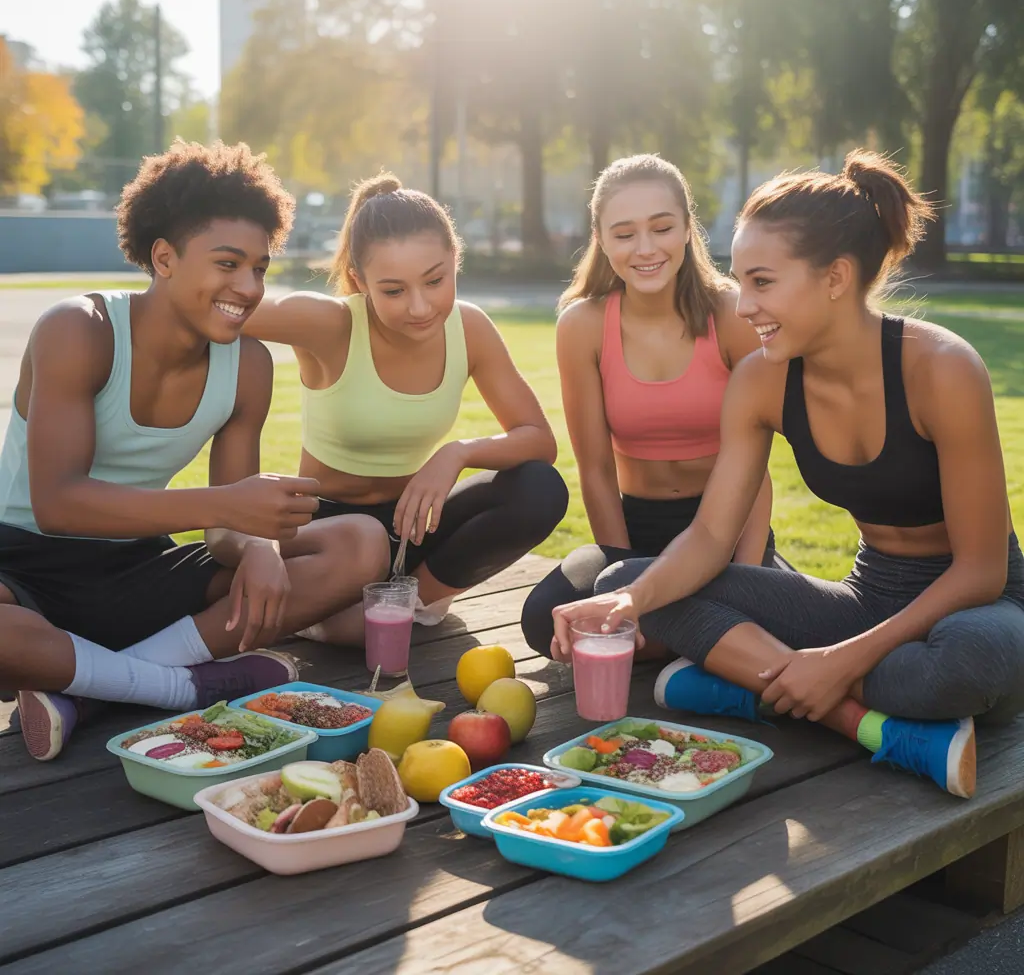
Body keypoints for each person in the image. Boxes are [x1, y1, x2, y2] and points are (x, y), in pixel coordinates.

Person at [553, 150, 1024, 799]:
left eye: (763, 283)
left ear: (835, 277)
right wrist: (630, 603)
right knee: (628, 578)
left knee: (960, 667)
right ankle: (853, 718)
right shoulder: (762, 380)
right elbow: (712, 537)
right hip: (868, 596)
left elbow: (981, 570)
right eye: (741, 281)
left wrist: (840, 660)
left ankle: (745, 684)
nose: (743, 306)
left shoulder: (941, 368)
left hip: (976, 606)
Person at [0, 140, 391, 761]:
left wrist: (256, 544)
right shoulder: (80, 330)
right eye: (228, 263)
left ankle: (88, 691)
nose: (248, 286)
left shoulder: (248, 368)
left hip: (134, 567)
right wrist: (230, 507)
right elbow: (57, 504)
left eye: (259, 268)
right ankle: (178, 686)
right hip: (22, 567)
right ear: (164, 257)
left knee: (360, 545)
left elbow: (222, 528)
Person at [242, 173, 568, 640]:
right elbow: (218, 307)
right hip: (331, 537)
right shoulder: (329, 324)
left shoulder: (469, 328)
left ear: (455, 259)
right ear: (360, 280)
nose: (420, 307)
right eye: (393, 291)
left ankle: (411, 604)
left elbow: (538, 439)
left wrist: (456, 453)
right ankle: (340, 616)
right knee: (356, 580)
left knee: (539, 487)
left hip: (410, 526)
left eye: (435, 280)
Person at [521, 154, 780, 658]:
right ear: (600, 237)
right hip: (634, 529)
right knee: (542, 620)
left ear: (687, 228)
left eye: (661, 228)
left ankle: (711, 630)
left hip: (727, 525)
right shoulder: (582, 326)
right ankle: (708, 640)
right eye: (624, 234)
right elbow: (595, 470)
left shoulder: (731, 313)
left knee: (742, 606)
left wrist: (749, 578)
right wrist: (618, 577)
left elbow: (756, 467)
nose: (645, 249)